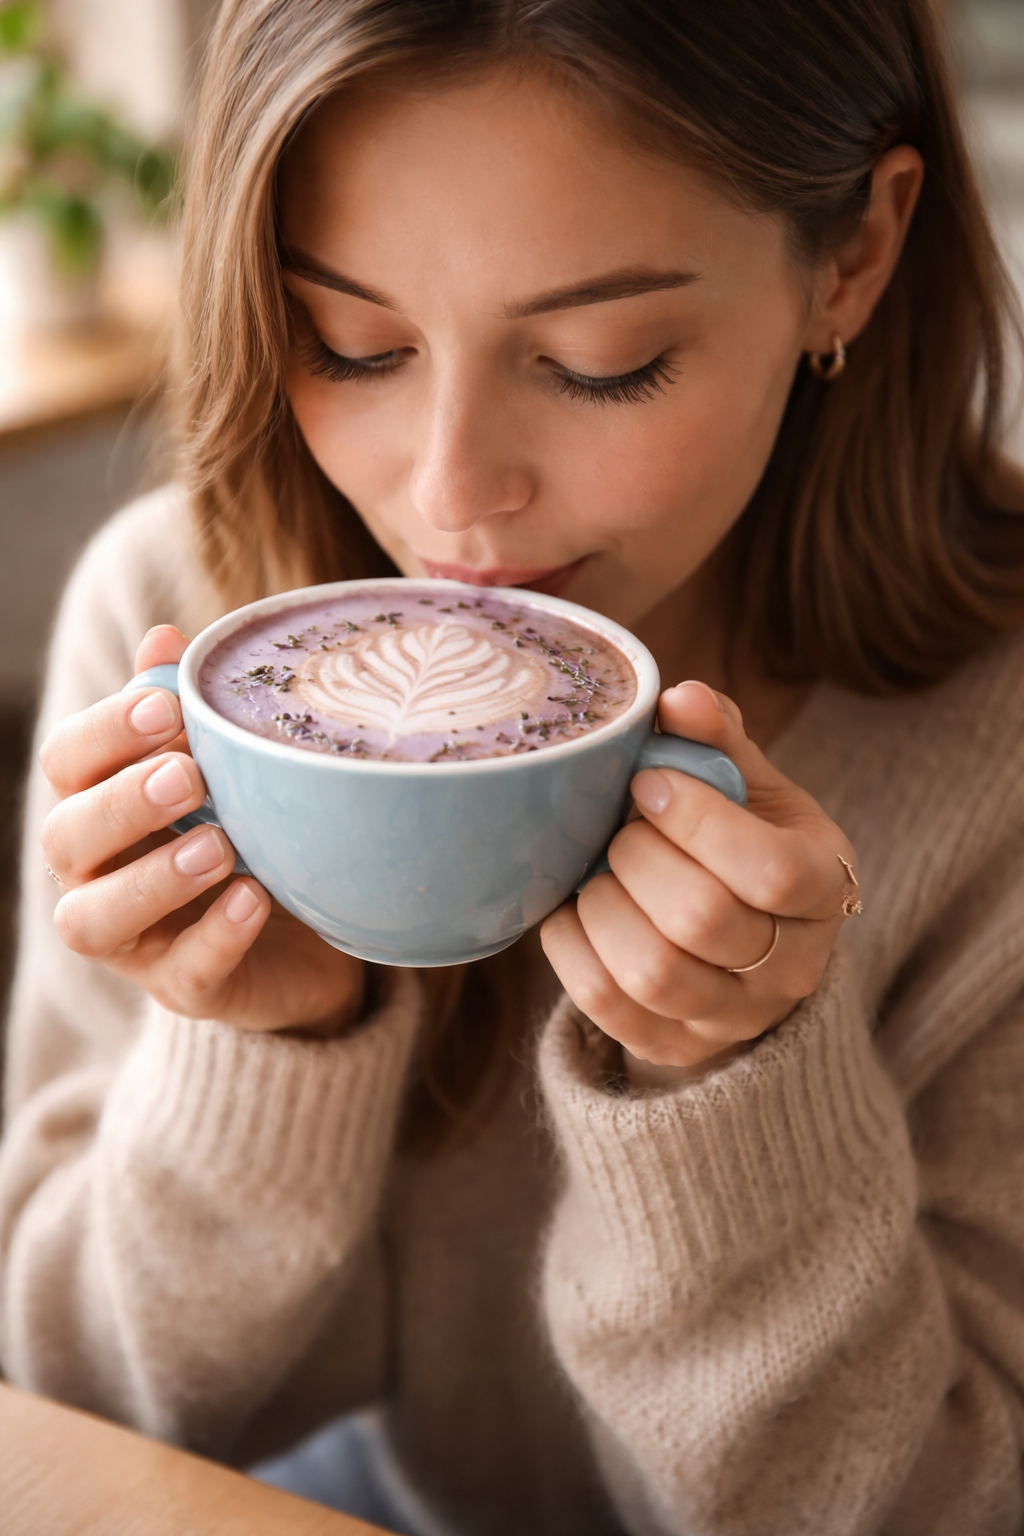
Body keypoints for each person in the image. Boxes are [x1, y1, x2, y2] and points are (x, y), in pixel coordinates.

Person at [2, 1, 1024, 1531]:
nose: (451, 496)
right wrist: (258, 1055)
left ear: (853, 258)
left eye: (602, 361)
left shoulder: (998, 742)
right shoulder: (177, 634)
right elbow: (72, 1418)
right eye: (351, 342)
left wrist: (731, 1096)